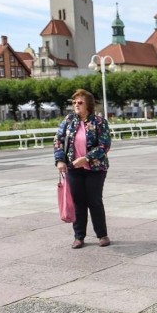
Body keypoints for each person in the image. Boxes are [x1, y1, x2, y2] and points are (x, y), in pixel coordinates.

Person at [54, 89, 112, 249]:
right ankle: (79, 236)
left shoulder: (99, 122)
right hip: (74, 168)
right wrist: (60, 160)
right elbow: (58, 140)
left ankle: (102, 235)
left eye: (80, 102)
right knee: (78, 202)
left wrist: (86, 158)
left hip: (95, 168)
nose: (76, 105)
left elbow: (104, 145)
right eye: (74, 103)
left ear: (88, 104)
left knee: (94, 201)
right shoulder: (69, 120)